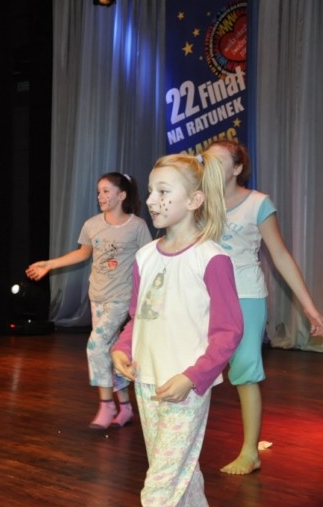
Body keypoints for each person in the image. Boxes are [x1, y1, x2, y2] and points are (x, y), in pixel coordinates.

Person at [111, 152, 244, 505]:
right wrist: (122, 348)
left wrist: (192, 377)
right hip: (146, 382)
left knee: (160, 484)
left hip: (187, 387)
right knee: (178, 470)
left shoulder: (211, 258)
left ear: (194, 200)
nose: (151, 200)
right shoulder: (145, 257)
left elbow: (229, 331)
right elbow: (139, 316)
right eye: (150, 191)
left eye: (163, 192)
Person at [206, 139, 323, 475]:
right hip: (205, 296)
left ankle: (250, 452)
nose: (210, 167)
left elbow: (281, 256)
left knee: (244, 370)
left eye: (218, 162)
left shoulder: (258, 203)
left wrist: (310, 307)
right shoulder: (198, 202)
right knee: (195, 370)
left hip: (245, 295)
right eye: (206, 161)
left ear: (237, 168)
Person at [25, 172, 152, 428]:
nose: (100, 197)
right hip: (97, 297)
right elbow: (82, 254)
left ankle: (106, 405)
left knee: (96, 345)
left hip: (121, 298)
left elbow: (149, 260)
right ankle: (125, 408)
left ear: (122, 195)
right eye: (98, 192)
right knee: (109, 351)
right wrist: (49, 264)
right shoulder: (92, 224)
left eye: (106, 191)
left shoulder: (137, 226)